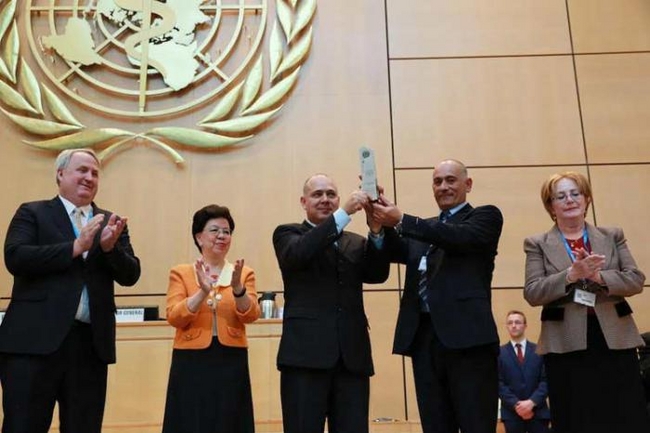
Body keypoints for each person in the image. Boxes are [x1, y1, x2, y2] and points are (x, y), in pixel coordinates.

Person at [0, 148, 141, 433]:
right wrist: (75, 248)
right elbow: (16, 257)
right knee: (23, 425)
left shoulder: (110, 221)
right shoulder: (33, 212)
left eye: (95, 173)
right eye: (82, 170)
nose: (89, 177)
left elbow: (131, 275)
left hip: (89, 346)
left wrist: (109, 249)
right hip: (33, 344)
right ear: (60, 174)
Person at [371, 159, 503, 433]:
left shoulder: (485, 217)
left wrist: (402, 220)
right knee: (435, 424)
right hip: (424, 339)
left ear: (468, 184)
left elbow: (458, 237)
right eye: (437, 181)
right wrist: (377, 223)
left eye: (450, 180)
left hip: (469, 342)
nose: (443, 187)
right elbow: (393, 250)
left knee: (476, 423)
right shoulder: (423, 228)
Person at [523, 171, 650, 433]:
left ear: (586, 199)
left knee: (625, 414)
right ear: (551, 206)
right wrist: (571, 275)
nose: (569, 200)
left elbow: (636, 280)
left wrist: (598, 276)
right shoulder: (537, 243)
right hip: (565, 343)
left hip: (614, 337)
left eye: (575, 193)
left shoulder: (612, 235)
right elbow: (533, 293)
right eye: (560, 196)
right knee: (576, 416)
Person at [272, 174, 390, 433]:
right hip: (305, 357)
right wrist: (344, 214)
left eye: (331, 195)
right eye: (317, 195)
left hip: (351, 357)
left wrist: (376, 228)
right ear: (303, 201)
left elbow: (378, 274)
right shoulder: (287, 234)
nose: (325, 200)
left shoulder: (356, 241)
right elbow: (300, 254)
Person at [162, 204, 261, 433]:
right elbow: (174, 317)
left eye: (226, 231)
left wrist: (238, 289)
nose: (222, 236)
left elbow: (251, 315)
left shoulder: (243, 273)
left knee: (230, 419)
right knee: (191, 419)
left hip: (231, 357)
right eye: (214, 230)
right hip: (191, 359)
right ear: (199, 237)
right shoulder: (182, 272)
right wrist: (202, 292)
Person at [498, 310, 550, 433]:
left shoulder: (539, 350)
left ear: (525, 326)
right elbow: (498, 383)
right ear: (506, 326)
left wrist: (531, 403)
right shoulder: (499, 354)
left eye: (517, 322)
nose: (514, 325)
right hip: (512, 414)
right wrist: (517, 405)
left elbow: (546, 380)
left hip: (538, 412)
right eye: (510, 323)